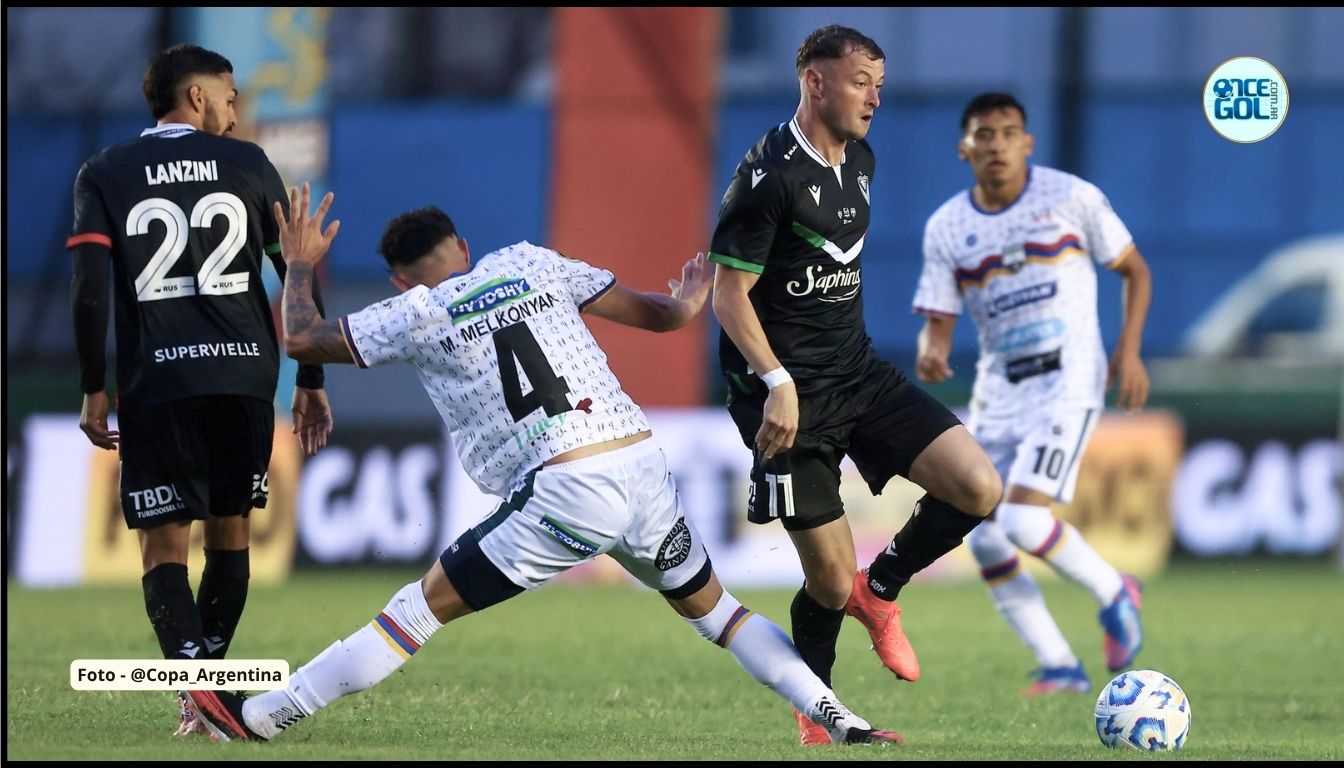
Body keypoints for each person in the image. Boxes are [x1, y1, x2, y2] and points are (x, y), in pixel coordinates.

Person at [186, 187, 902, 746]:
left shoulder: (418, 311)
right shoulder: (530, 261)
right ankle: (840, 719)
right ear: (464, 246)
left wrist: (302, 263)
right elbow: (662, 314)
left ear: (403, 280)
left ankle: (263, 716)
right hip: (640, 465)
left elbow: (302, 336)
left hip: (565, 489)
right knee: (721, 613)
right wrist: (690, 295)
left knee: (417, 611)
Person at [706, 24, 1003, 745]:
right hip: (784, 398)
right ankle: (819, 710)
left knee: (978, 487)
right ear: (815, 81)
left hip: (857, 372)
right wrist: (776, 381)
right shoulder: (766, 175)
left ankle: (886, 588)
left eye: (879, 82)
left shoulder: (862, 159)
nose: (875, 96)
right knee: (828, 583)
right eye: (860, 80)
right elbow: (727, 295)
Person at [68, 43, 335, 736]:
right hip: (244, 377)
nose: (235, 107)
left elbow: (89, 286)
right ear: (195, 97)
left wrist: (94, 387)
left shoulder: (105, 172)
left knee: (164, 551)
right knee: (232, 538)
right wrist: (309, 374)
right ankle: (211, 696)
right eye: (229, 93)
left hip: (158, 381)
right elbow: (298, 270)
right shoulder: (247, 163)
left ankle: (198, 697)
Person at [912, 92, 1150, 695]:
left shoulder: (1070, 197)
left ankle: (1112, 589)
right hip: (998, 391)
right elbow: (939, 320)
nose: (996, 145)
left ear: (1027, 143)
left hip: (1067, 380)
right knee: (984, 532)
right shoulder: (947, 226)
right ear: (964, 148)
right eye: (983, 135)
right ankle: (1060, 665)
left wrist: (1128, 349)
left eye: (1008, 133)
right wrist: (931, 349)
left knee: (1019, 518)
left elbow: (1135, 270)